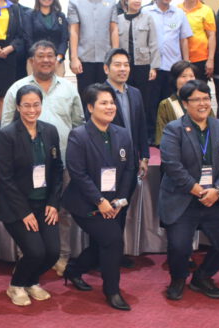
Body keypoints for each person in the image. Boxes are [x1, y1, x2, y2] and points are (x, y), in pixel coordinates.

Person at [1, 40, 84, 274]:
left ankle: (61, 257)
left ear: (57, 60)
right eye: (41, 56)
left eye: (51, 55)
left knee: (61, 212)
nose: (46, 60)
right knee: (26, 211)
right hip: (24, 166)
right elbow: (6, 125)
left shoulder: (69, 88)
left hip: (61, 163)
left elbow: (78, 124)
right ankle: (26, 258)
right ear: (31, 61)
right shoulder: (17, 88)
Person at [159, 79, 219, 301]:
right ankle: (177, 279)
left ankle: (202, 277)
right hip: (183, 197)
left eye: (206, 98)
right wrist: (197, 189)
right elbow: (172, 165)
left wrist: (218, 190)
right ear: (185, 104)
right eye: (196, 100)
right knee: (179, 246)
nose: (203, 104)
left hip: (214, 197)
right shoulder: (173, 129)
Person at [62, 83, 133, 311]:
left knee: (102, 244)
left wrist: (120, 200)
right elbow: (78, 173)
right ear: (91, 107)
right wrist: (100, 201)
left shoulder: (122, 134)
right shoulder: (79, 135)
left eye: (112, 102)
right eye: (103, 103)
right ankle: (112, 291)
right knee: (113, 241)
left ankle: (73, 270)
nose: (110, 107)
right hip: (85, 203)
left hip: (114, 203)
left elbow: (129, 170)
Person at [0, 85, 62, 306]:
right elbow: (5, 178)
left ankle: (30, 281)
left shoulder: (50, 131)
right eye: (26, 105)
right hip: (16, 206)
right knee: (35, 251)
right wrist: (24, 212)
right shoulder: (7, 135)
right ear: (18, 107)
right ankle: (16, 285)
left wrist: (53, 203)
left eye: (36, 105)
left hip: (44, 204)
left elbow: (57, 170)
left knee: (53, 252)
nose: (32, 110)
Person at [101, 48, 150, 267]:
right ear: (106, 68)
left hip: (130, 163)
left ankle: (116, 254)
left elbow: (141, 126)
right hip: (107, 164)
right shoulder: (99, 94)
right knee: (106, 210)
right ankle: (103, 256)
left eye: (126, 65)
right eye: (117, 64)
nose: (123, 69)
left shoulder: (135, 93)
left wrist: (144, 156)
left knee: (121, 207)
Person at [114, 0, 160, 138]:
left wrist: (154, 67)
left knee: (144, 101)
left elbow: (153, 43)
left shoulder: (148, 18)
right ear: (126, 0)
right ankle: (126, 133)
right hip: (124, 67)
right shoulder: (118, 20)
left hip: (143, 66)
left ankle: (145, 135)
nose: (137, 0)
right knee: (125, 99)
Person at [145, 0, 193, 124]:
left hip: (173, 67)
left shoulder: (179, 13)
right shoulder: (146, 12)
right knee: (151, 103)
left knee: (171, 103)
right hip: (153, 67)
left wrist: (186, 63)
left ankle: (171, 129)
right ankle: (153, 132)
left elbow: (183, 39)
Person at [68, 0, 119, 95]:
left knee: (106, 95)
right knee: (85, 95)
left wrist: (116, 56)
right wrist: (74, 58)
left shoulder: (111, 1)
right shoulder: (74, 2)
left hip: (106, 57)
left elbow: (114, 30)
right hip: (84, 58)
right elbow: (74, 31)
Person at [155, 61, 212, 146]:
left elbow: (214, 129)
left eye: (191, 76)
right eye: (183, 76)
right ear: (175, 79)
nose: (188, 80)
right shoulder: (166, 104)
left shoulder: (203, 103)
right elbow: (162, 137)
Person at [27, 0, 69, 77]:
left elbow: (64, 39)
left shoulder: (60, 16)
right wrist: (37, 57)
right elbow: (28, 39)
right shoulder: (30, 15)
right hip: (35, 62)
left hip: (56, 62)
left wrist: (59, 58)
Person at [178, 0, 216, 82]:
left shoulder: (206, 10)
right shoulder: (176, 9)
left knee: (199, 87)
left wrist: (210, 60)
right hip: (180, 57)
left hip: (201, 58)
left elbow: (211, 36)